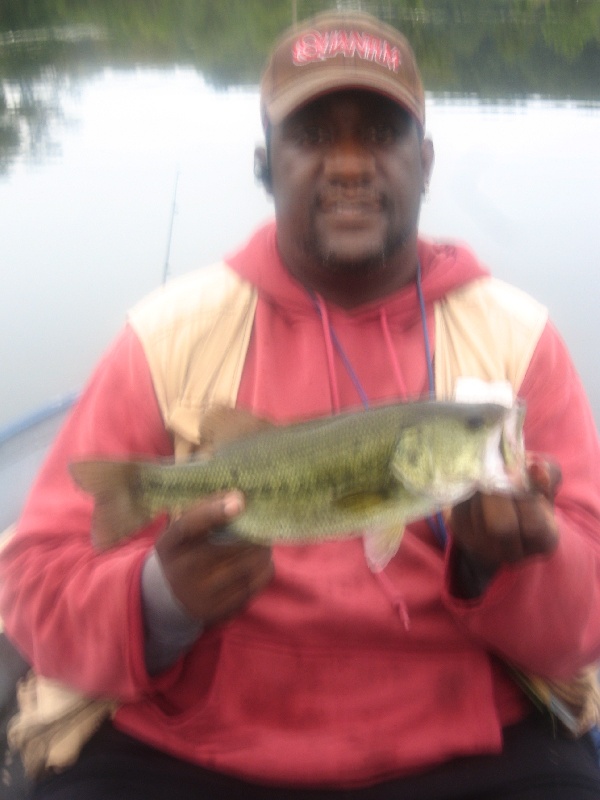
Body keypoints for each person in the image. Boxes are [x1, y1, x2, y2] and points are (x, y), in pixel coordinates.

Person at [1, 9, 600, 800]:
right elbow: (33, 585)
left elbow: (580, 625)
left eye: (381, 134)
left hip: (463, 750)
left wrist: (497, 568)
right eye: (313, 137)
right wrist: (158, 602)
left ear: (424, 162)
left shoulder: (516, 341)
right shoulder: (167, 336)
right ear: (264, 164)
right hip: (186, 750)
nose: (350, 165)